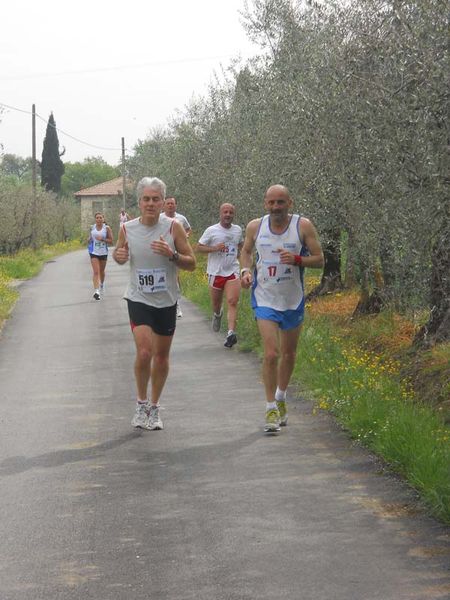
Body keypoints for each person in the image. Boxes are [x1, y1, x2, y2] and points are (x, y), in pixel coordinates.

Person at [113, 177, 196, 430]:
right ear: (139, 202)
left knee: (160, 357)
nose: (150, 203)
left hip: (166, 299)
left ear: (163, 202)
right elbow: (119, 256)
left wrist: (171, 255)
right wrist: (119, 256)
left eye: (155, 199)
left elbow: (191, 263)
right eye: (146, 199)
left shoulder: (173, 228)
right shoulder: (128, 228)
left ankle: (154, 407)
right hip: (139, 297)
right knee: (145, 351)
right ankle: (140, 403)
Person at [240, 184, 324, 433]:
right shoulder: (256, 226)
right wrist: (245, 271)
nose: (276, 207)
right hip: (265, 297)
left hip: (292, 299)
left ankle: (281, 397)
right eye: (271, 203)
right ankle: (269, 409)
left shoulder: (303, 226)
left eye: (280, 202)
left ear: (290, 202)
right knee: (271, 353)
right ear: (265, 203)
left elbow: (320, 260)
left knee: (288, 354)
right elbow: (245, 251)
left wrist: (298, 259)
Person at [196, 203, 243, 348]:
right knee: (216, 304)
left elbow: (241, 246)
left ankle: (230, 333)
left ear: (233, 214)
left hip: (232, 270)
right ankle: (217, 314)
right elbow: (198, 247)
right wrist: (215, 248)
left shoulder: (238, 230)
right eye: (225, 212)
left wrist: (245, 264)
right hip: (216, 272)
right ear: (220, 214)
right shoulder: (212, 230)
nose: (228, 215)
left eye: (230, 212)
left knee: (232, 301)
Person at [163, 196, 192, 318]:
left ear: (176, 205)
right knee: (163, 276)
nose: (170, 205)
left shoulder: (181, 218)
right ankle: (164, 305)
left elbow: (188, 229)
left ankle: (177, 304)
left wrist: (185, 236)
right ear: (164, 205)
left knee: (175, 276)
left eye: (172, 204)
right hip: (163, 250)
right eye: (168, 203)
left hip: (176, 251)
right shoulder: (160, 218)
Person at [87, 212, 113, 300]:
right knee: (96, 272)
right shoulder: (92, 227)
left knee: (102, 271)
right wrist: (89, 239)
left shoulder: (107, 228)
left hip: (103, 252)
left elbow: (111, 240)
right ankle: (96, 291)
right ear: (95, 219)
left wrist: (102, 239)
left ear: (103, 219)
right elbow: (90, 238)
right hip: (93, 252)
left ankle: (101, 284)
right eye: (97, 218)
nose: (99, 219)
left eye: (100, 218)